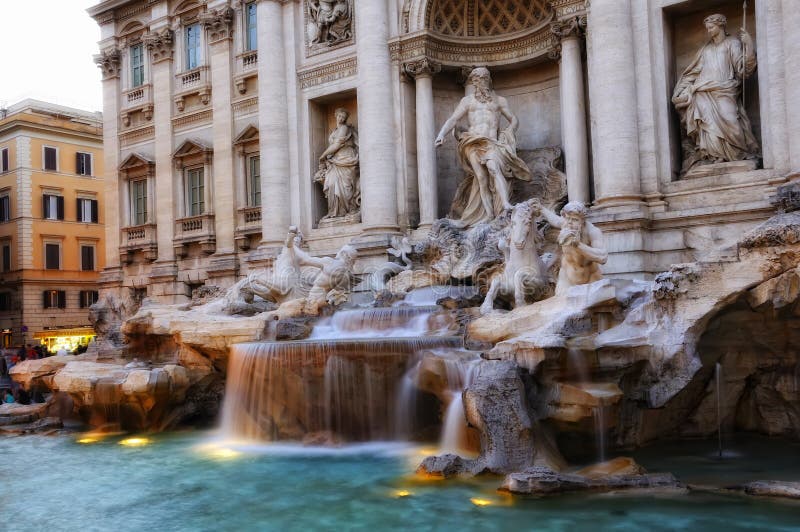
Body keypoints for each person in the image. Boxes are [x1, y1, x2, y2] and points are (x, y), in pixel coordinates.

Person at [435, 67, 532, 227]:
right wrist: (441, 134)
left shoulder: (500, 101)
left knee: (493, 168)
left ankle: (506, 204)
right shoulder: (467, 101)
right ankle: (489, 214)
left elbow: (514, 119)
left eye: (482, 79)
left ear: (488, 80)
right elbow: (453, 119)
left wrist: (509, 132)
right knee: (481, 177)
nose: (479, 83)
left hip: (491, 142)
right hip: (472, 141)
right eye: (476, 80)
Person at [672, 13, 759, 172]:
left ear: (721, 26)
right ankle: (714, 156)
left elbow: (744, 70)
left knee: (731, 120)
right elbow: (692, 73)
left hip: (725, 90)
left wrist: (749, 46)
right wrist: (682, 91)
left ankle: (738, 153)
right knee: (708, 126)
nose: (709, 31)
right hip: (703, 93)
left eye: (711, 27)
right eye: (707, 28)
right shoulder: (705, 50)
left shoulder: (732, 44)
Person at [531, 200, 607, 296]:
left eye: (575, 220)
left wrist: (578, 245)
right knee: (561, 307)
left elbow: (603, 257)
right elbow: (554, 220)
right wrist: (541, 208)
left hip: (591, 279)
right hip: (567, 279)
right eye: (567, 218)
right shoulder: (566, 223)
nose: (569, 223)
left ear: (582, 221)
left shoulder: (592, 232)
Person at [314, 108, 360, 220]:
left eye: (343, 118)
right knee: (331, 184)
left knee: (346, 187)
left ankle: (348, 210)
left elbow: (337, 145)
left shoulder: (344, 128)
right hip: (335, 160)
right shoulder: (334, 130)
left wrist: (323, 155)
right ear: (336, 115)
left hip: (346, 158)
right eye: (339, 116)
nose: (341, 119)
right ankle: (333, 211)